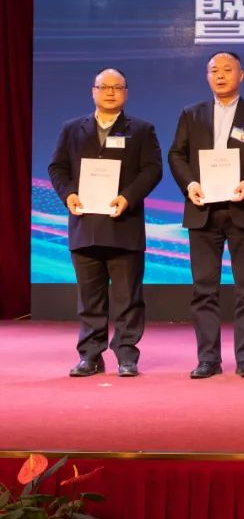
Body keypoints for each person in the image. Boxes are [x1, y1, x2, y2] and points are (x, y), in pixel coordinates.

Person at [167, 52, 244, 379]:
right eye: (214, 70)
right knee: (204, 289)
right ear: (207, 77)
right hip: (202, 211)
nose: (220, 75)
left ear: (241, 75)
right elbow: (176, 155)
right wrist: (190, 184)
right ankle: (208, 359)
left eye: (227, 70)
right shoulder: (191, 114)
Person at [48, 68, 162, 377]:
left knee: (128, 298)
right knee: (89, 299)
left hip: (124, 224)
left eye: (117, 87)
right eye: (104, 87)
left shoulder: (141, 130)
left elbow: (152, 170)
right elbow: (57, 168)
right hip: (84, 223)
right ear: (93, 91)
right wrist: (68, 195)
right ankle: (90, 356)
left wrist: (127, 197)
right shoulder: (72, 129)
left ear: (126, 92)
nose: (110, 92)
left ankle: (126, 355)